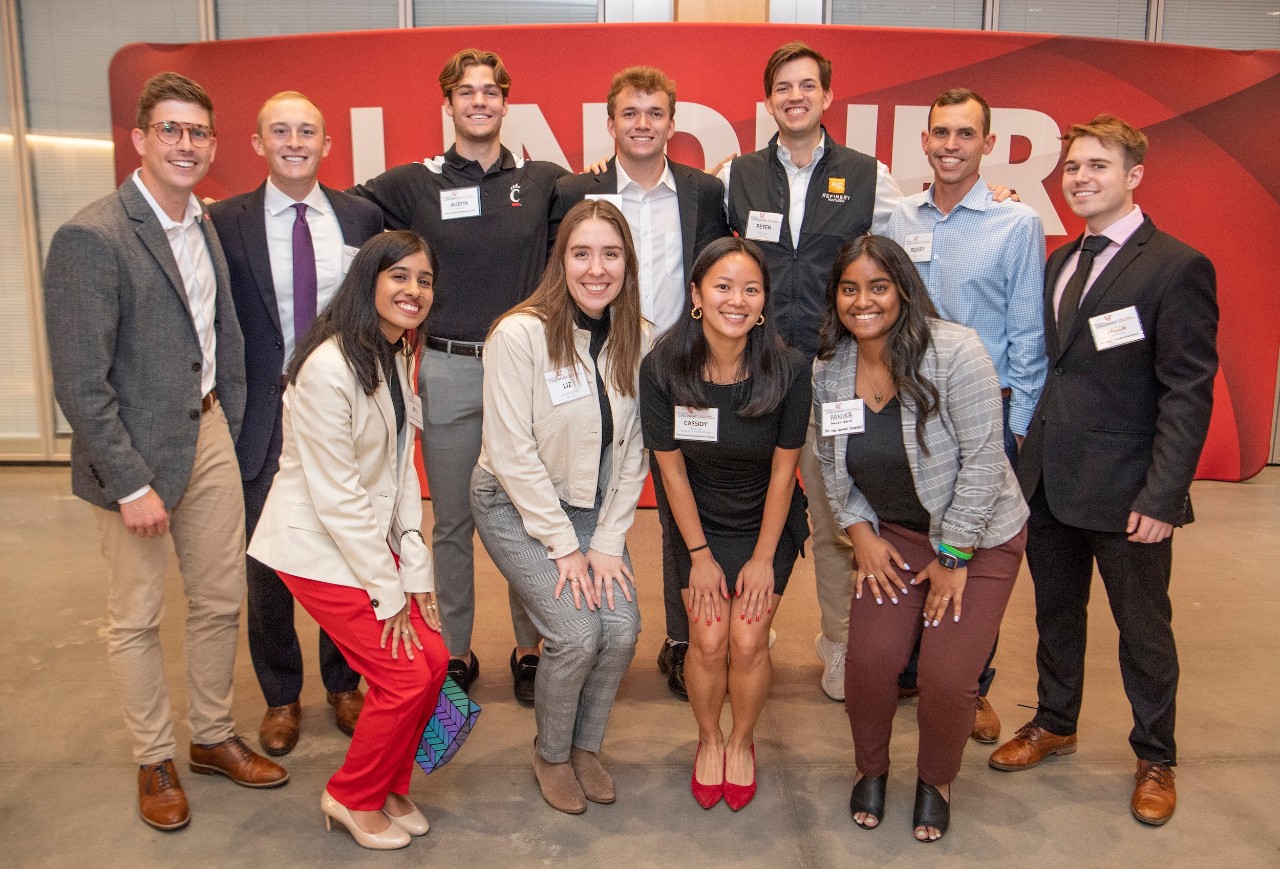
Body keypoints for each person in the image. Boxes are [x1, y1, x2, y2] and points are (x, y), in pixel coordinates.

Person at [43, 72, 287, 832]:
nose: (186, 145)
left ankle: (211, 733)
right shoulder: (93, 235)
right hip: (133, 453)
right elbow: (81, 383)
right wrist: (128, 483)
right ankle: (154, 755)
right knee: (138, 616)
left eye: (198, 133)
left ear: (213, 145)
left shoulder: (202, 222)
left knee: (219, 597)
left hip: (209, 428)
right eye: (171, 131)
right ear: (140, 139)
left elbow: (221, 337)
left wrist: (232, 418)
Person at [989, 115, 1218, 828]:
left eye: (1098, 166)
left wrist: (1164, 492)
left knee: (1143, 629)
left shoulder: (1176, 266)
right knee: (1057, 614)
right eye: (1073, 168)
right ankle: (1056, 720)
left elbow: (1188, 388)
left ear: (1134, 177)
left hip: (1130, 492)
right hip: (1053, 481)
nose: (1081, 178)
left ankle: (1156, 754)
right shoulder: (1061, 261)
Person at [349, 48, 568, 699]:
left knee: (533, 513)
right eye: (466, 92)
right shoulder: (417, 184)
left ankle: (532, 647)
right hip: (445, 366)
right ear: (448, 103)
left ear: (506, 101)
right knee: (449, 519)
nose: (479, 101)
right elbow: (344, 209)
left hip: (526, 374)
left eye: (490, 91)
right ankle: (458, 649)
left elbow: (603, 195)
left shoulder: (543, 179)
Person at [812, 235, 1028, 842]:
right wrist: (860, 533)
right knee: (871, 663)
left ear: (903, 290)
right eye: (849, 289)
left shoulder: (955, 352)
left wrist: (955, 554)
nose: (863, 302)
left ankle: (936, 779)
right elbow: (833, 465)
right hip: (894, 537)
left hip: (979, 538)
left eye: (877, 287)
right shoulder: (830, 370)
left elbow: (987, 460)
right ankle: (871, 771)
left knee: (945, 676)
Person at [248, 230, 447, 850]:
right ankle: (351, 794)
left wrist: (416, 575)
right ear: (369, 280)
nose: (414, 291)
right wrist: (389, 595)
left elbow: (398, 473)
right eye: (400, 277)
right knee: (406, 677)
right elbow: (336, 498)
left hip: (363, 539)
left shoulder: (394, 353)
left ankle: (387, 782)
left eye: (424, 280)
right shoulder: (328, 366)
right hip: (313, 545)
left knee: (435, 661)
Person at [718, 41, 905, 702]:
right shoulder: (736, 173)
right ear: (768, 100)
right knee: (744, 508)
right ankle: (751, 628)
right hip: (756, 367)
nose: (794, 97)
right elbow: (717, 264)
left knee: (835, 515)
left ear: (828, 95)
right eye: (782, 88)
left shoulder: (867, 173)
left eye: (807, 86)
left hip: (834, 371)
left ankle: (840, 641)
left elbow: (904, 259)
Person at [209, 91, 384, 755]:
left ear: (326, 143)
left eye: (306, 130)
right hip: (262, 412)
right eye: (279, 130)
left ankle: (343, 684)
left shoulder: (361, 215)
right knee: (267, 561)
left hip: (340, 409)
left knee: (344, 549)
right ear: (256, 143)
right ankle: (282, 695)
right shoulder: (225, 222)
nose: (293, 141)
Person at [551, 65, 730, 700]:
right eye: (631, 113)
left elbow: (717, 272)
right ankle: (579, 630)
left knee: (686, 507)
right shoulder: (577, 190)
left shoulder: (705, 192)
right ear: (610, 123)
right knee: (591, 495)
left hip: (680, 368)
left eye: (655, 113)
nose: (643, 124)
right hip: (600, 363)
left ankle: (682, 640)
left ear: (672, 123)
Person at [471, 199, 648, 815]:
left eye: (610, 254)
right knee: (576, 633)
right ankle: (551, 753)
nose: (596, 269)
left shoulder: (637, 337)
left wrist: (604, 542)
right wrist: (564, 546)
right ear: (561, 261)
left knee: (622, 631)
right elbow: (511, 452)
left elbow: (634, 455)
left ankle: (585, 746)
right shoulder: (518, 334)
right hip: (513, 505)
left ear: (627, 261)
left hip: (591, 509)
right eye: (581, 254)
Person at [886, 87, 1047, 743]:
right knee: (914, 541)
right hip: (907, 414)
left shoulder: (1017, 223)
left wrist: (1020, 427)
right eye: (940, 133)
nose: (950, 145)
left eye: (964, 134)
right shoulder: (897, 220)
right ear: (924, 141)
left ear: (987, 144)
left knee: (972, 552)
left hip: (984, 417)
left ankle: (972, 682)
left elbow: (1027, 333)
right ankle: (917, 664)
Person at [640, 237, 809, 811]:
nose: (736, 300)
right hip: (697, 525)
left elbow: (785, 475)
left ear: (764, 302)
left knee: (747, 637)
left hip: (767, 520)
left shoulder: (787, 370)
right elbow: (671, 473)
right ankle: (709, 739)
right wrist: (700, 556)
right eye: (722, 286)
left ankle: (742, 740)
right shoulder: (663, 366)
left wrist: (763, 558)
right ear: (696, 294)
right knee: (708, 641)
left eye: (751, 289)